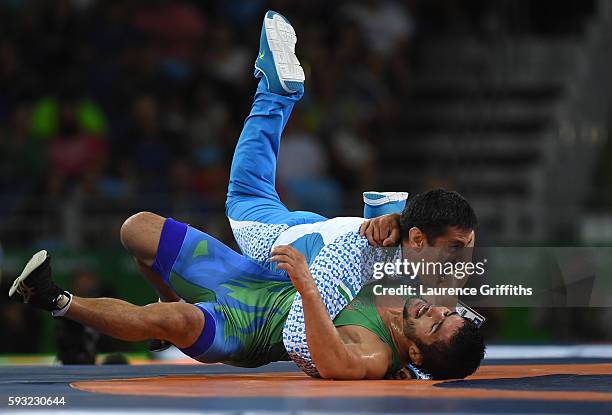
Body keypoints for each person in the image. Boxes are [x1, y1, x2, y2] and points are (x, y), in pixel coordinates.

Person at [118, 10, 483, 377]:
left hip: (323, 232)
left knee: (266, 200)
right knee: (246, 195)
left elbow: (440, 329)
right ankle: (274, 94)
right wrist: (398, 366)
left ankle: (275, 96)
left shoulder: (431, 270)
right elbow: (300, 342)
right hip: (309, 247)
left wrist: (396, 219)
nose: (462, 256)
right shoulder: (428, 282)